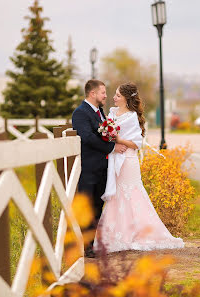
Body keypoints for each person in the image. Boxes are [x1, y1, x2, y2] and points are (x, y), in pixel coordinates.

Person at [93, 82, 184, 254]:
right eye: (115, 94)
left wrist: (117, 139)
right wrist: (108, 137)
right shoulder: (111, 113)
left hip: (128, 160)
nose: (114, 97)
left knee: (131, 193)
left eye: (118, 95)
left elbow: (136, 143)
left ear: (126, 99)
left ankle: (140, 233)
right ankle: (114, 235)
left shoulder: (132, 117)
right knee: (116, 195)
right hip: (114, 158)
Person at [71, 79, 127, 257]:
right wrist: (112, 147)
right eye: (103, 92)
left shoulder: (100, 112)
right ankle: (86, 247)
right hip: (88, 169)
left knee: (97, 206)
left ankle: (93, 244)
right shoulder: (80, 113)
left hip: (102, 169)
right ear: (92, 93)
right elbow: (87, 137)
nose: (105, 96)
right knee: (88, 207)